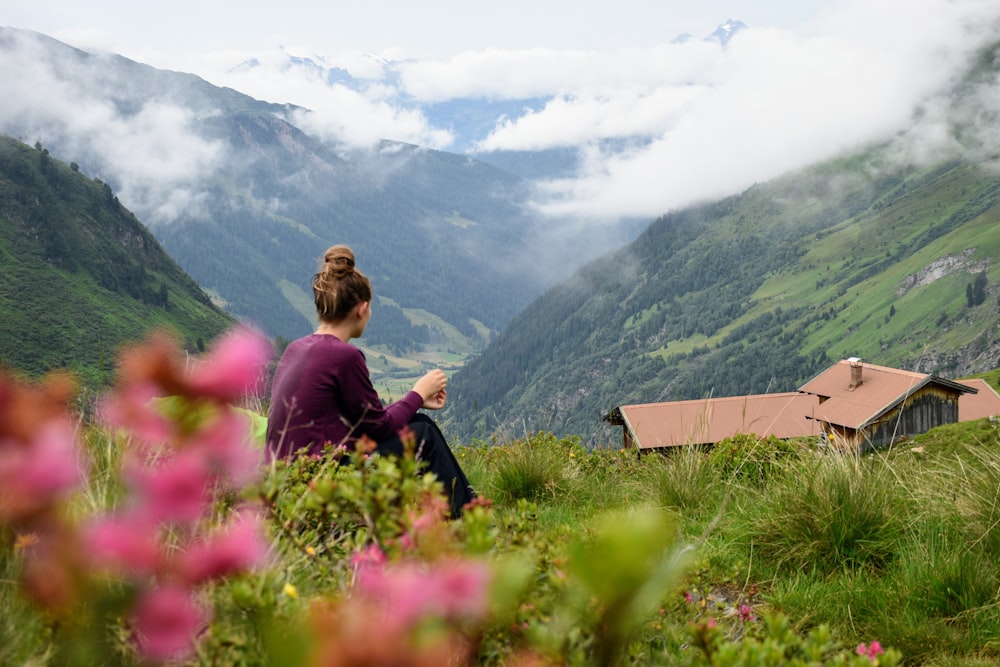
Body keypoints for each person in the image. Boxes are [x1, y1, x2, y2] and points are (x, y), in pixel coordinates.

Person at [266, 244, 476, 518]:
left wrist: (416, 402)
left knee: (420, 424)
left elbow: (366, 422)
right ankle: (468, 523)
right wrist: (417, 393)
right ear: (362, 309)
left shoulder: (296, 349)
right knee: (424, 434)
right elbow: (379, 427)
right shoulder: (344, 356)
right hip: (322, 481)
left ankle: (466, 510)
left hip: (283, 483)